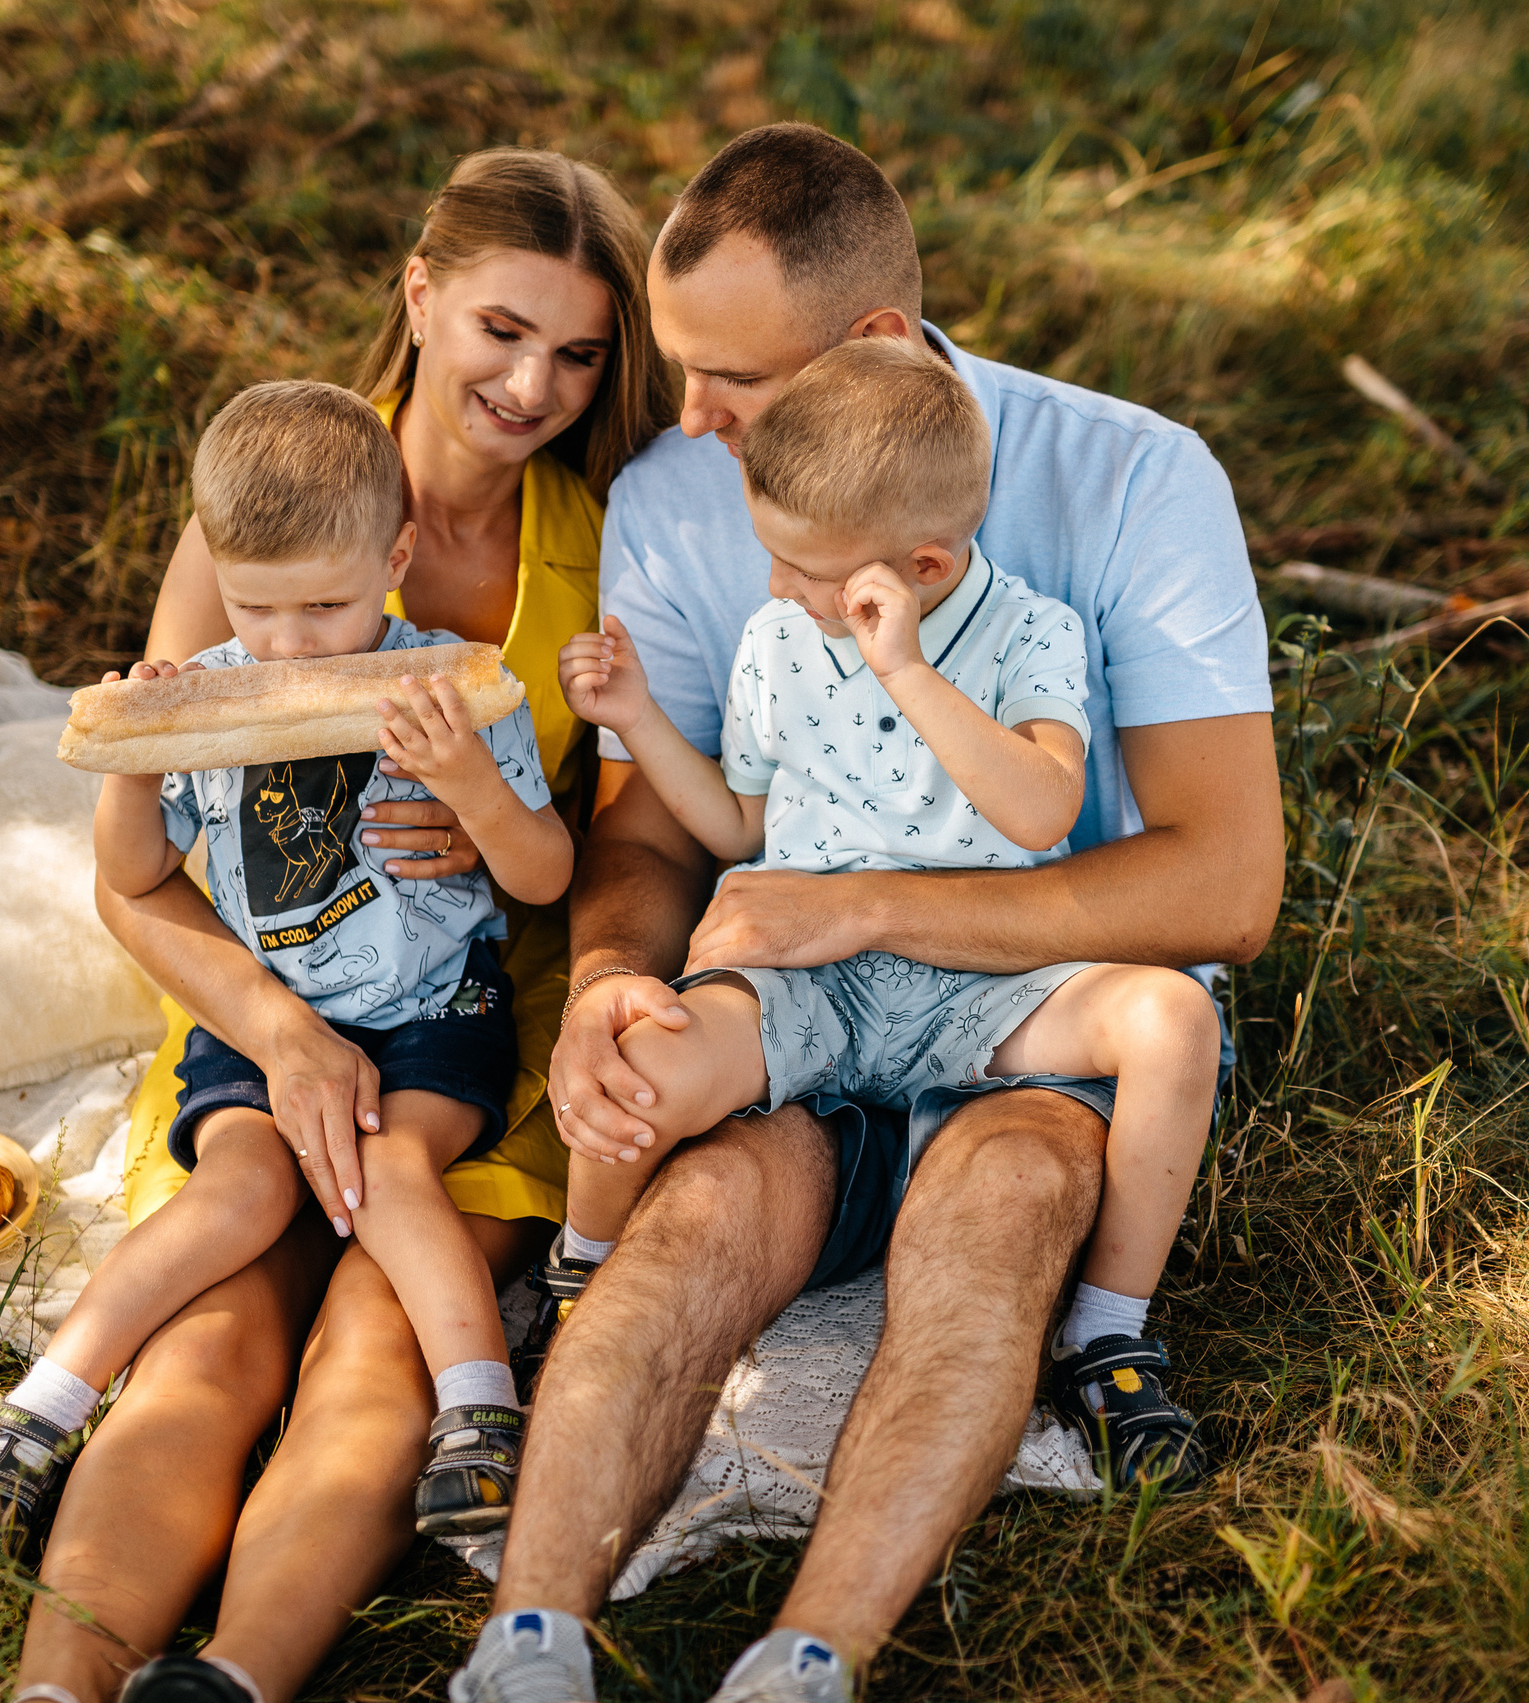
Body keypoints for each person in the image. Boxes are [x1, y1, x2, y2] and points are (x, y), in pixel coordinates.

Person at [449, 124, 1282, 1703]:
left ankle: (806, 1659)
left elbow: (1224, 885)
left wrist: (863, 902)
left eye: (734, 384)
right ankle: (527, 1638)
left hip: (1035, 1019)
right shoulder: (689, 495)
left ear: (877, 344)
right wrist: (619, 982)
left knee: (992, 1219)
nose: (687, 419)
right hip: (818, 1019)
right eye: (680, 369)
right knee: (694, 1226)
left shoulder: (1130, 476)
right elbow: (659, 809)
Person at [0, 149, 673, 1703]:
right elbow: (139, 866)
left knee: (372, 1340)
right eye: (503, 328)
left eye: (578, 352)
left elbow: (599, 840)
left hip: (460, 1031)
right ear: (420, 294)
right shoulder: (277, 494)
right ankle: (56, 1684)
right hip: (264, 1005)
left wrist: (507, 828)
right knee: (212, 1349)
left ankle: (231, 1678)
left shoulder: (599, 541)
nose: (533, 383)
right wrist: (285, 1036)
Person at [552, 336, 1222, 1497]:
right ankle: (579, 1269)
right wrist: (643, 719)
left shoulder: (1032, 634)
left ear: (916, 566)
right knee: (639, 1049)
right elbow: (735, 828)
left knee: (1172, 1018)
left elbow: (1037, 806)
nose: (775, 590)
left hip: (991, 973)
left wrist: (906, 670)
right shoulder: (778, 639)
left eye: (805, 570)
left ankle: (1110, 1330)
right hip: (816, 978)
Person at [0, 378, 573, 1554]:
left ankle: (479, 1409)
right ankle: (37, 1411)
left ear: (397, 553)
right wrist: (136, 758)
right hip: (263, 1014)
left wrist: (472, 784)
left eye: (325, 606)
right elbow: (132, 874)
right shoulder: (209, 679)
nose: (283, 644)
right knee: (240, 1192)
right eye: (253, 606)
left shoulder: (456, 683)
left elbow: (541, 873)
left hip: (436, 1005)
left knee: (388, 1170)